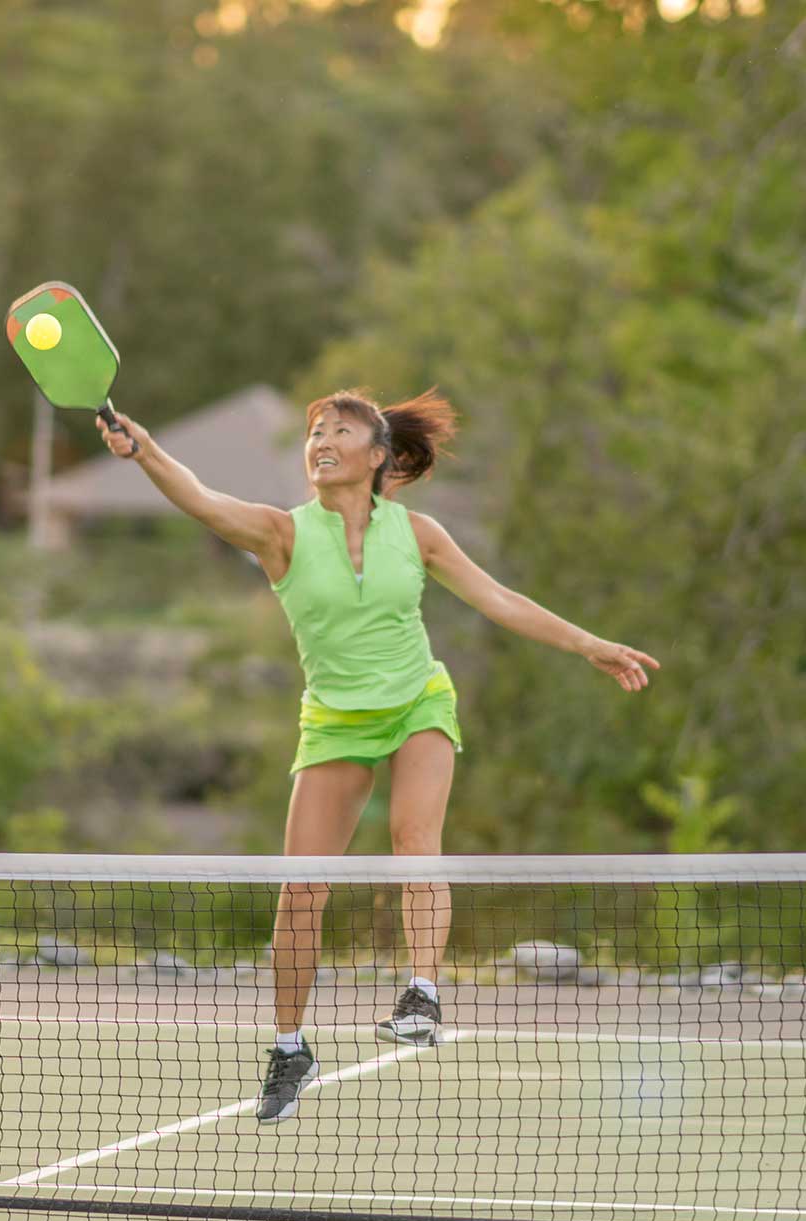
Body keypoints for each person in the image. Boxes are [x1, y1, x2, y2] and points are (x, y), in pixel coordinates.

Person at [97, 392, 656, 1125]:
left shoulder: (417, 534)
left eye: (341, 431)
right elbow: (200, 501)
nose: (322, 440)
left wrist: (591, 644)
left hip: (418, 701)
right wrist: (145, 452)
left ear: (376, 457)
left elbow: (499, 600)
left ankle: (422, 992)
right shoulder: (280, 534)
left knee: (414, 840)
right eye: (315, 432)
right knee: (302, 894)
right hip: (335, 720)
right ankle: (290, 1047)